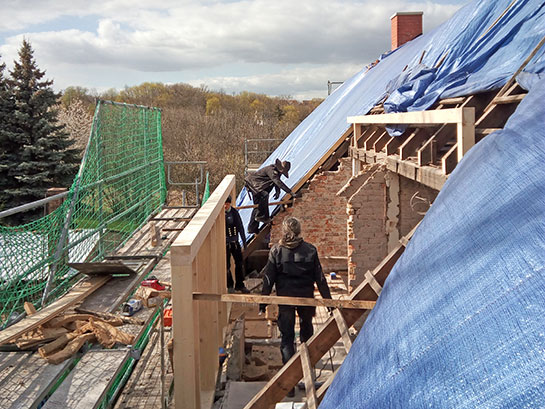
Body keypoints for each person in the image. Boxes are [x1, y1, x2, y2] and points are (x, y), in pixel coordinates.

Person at [259, 217, 332, 370]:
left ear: (284, 231)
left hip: (286, 298)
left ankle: (289, 381)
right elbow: (320, 279)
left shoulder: (276, 251)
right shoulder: (310, 250)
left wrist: (262, 304)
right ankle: (308, 368)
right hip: (306, 298)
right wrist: (329, 304)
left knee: (287, 337)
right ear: (299, 231)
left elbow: (268, 279)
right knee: (306, 333)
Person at [244, 158, 300, 234]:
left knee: (258, 206)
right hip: (253, 184)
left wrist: (278, 191)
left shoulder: (277, 172)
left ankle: (252, 228)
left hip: (258, 186)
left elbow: (276, 182)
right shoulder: (271, 170)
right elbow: (277, 181)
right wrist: (290, 192)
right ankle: (263, 217)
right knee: (264, 196)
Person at [225, 196, 249, 293]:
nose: (225, 206)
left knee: (239, 263)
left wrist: (244, 241)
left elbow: (240, 227)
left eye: (227, 203)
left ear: (230, 203)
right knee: (227, 266)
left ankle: (240, 285)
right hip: (225, 244)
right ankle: (229, 285)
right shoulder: (220, 215)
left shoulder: (234, 213)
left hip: (235, 242)